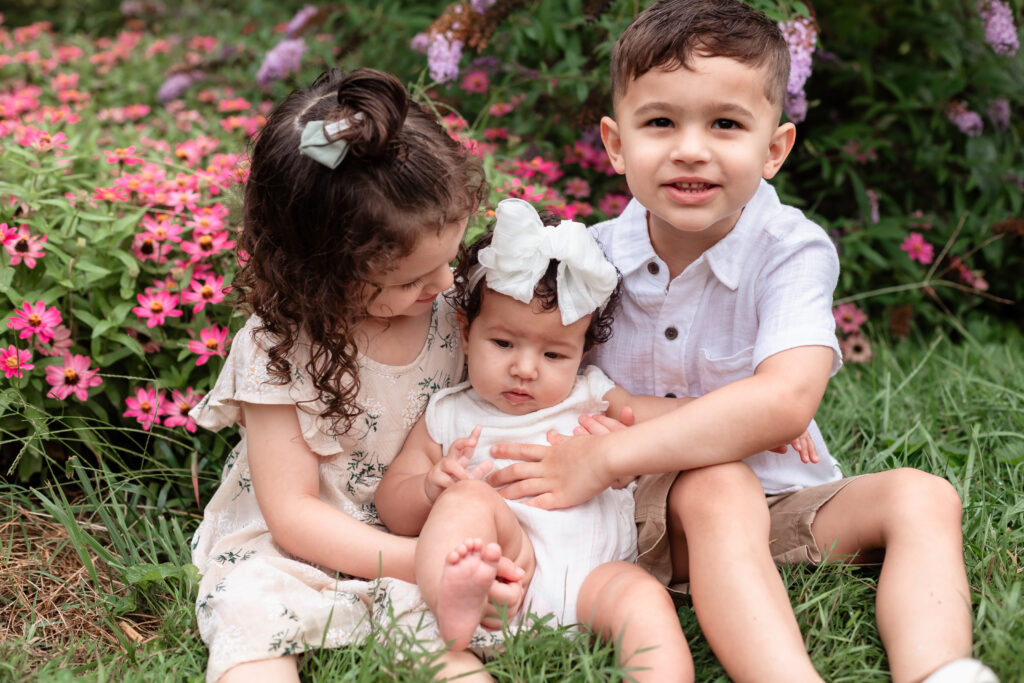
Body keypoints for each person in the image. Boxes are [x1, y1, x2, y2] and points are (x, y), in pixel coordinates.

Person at [487, 2, 997, 682]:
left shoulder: (790, 248)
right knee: (717, 482)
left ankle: (939, 669)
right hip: (637, 513)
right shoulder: (589, 259)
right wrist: (625, 453)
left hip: (778, 503)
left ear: (774, 148)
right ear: (615, 143)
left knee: (922, 495)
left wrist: (623, 438)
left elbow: (784, 402)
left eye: (725, 123)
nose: (691, 148)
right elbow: (527, 370)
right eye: (660, 122)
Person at [189, 68, 522, 683]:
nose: (444, 284)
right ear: (316, 272)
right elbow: (292, 512)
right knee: (250, 611)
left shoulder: (452, 314)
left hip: (420, 525)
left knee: (442, 637)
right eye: (409, 280)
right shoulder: (279, 347)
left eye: (448, 259)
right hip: (294, 546)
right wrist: (416, 561)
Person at [375, 197, 694, 681]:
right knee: (465, 499)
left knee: (643, 599)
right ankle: (455, 605)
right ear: (465, 331)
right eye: (503, 344)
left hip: (597, 577)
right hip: (506, 571)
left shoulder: (594, 397)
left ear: (584, 353)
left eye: (554, 355)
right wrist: (428, 489)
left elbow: (675, 420)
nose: (524, 369)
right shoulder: (449, 414)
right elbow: (390, 506)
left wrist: (754, 416)